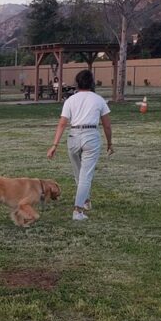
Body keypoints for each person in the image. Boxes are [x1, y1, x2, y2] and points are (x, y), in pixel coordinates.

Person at [47, 70, 113, 221]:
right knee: (85, 176)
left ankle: (86, 200)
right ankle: (78, 210)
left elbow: (63, 123)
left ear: (77, 83)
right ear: (92, 82)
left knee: (79, 174)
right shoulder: (99, 100)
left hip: (74, 136)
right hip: (91, 136)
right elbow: (107, 125)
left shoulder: (70, 100)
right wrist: (110, 143)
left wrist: (54, 145)